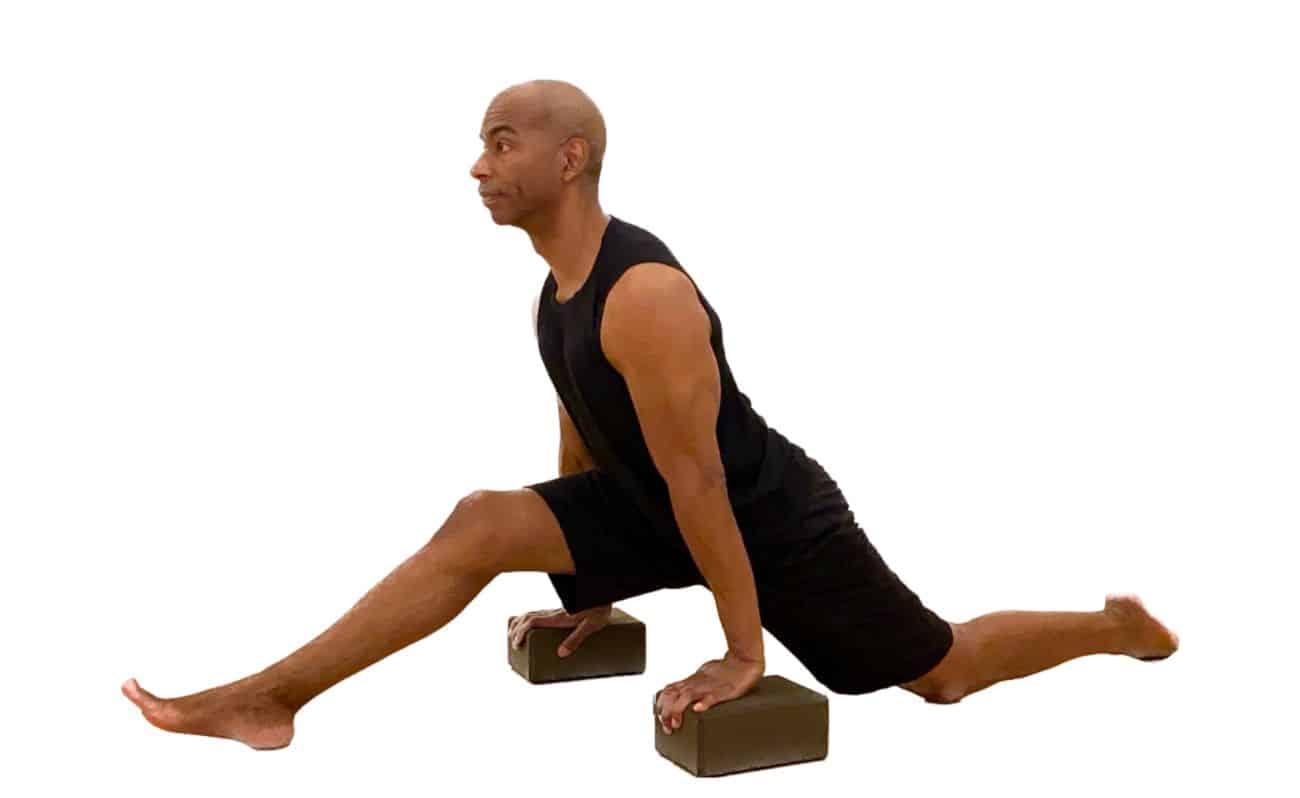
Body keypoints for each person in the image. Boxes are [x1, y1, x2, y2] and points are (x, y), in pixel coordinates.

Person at [121, 79, 1179, 751]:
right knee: (482, 521)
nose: (478, 166)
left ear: (568, 156)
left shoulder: (645, 294)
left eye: (501, 143)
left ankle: (1113, 627)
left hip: (771, 520)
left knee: (939, 674)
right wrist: (587, 582)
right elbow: (590, 433)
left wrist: (740, 652)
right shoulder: (556, 289)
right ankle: (272, 697)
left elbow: (703, 482)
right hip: (663, 502)